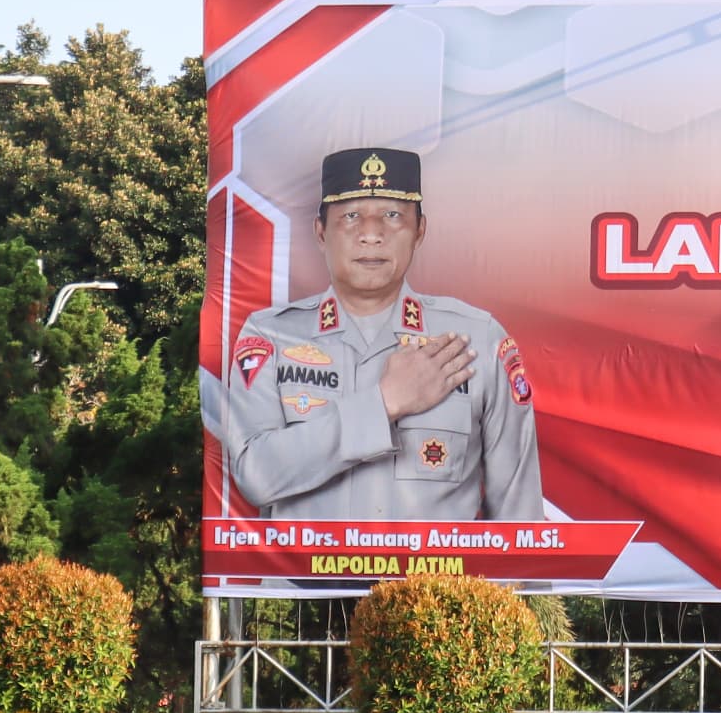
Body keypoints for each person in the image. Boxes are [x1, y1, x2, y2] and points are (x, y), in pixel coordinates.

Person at [215, 145, 546, 521]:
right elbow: (256, 475)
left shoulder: (476, 340)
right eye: (351, 216)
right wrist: (384, 403)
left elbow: (520, 521)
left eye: (392, 215)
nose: (371, 235)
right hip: (305, 580)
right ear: (320, 231)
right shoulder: (271, 337)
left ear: (420, 230)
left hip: (434, 580)